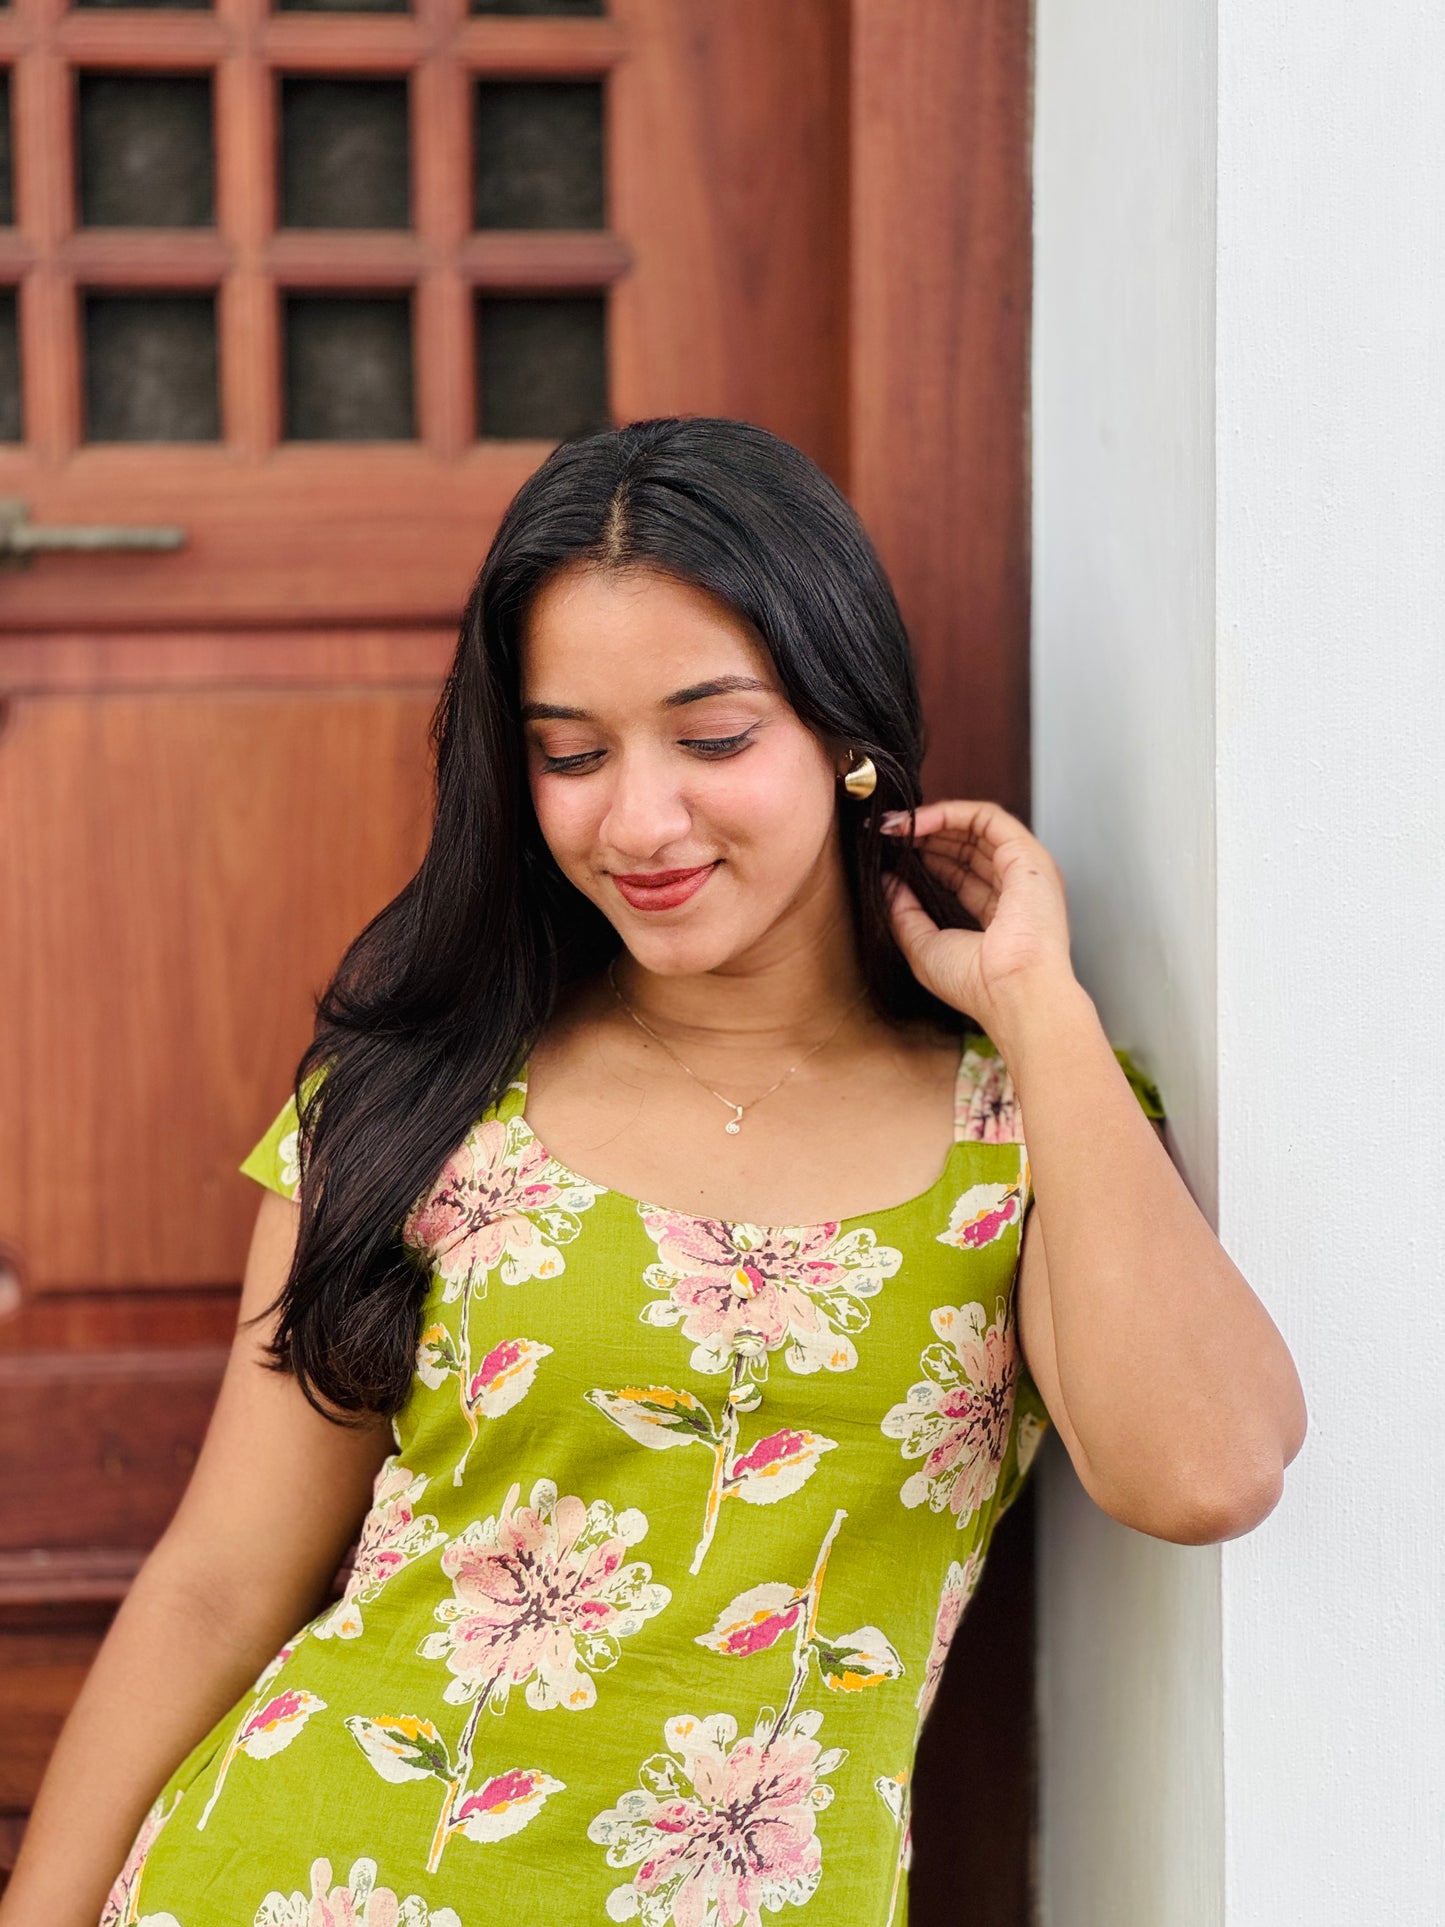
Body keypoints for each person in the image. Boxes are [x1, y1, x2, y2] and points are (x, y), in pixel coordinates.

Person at [2, 417, 1306, 1927]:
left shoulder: (1026, 1131)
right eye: (570, 754)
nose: (638, 821)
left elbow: (1206, 1473)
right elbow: (219, 1585)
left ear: (842, 730)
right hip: (300, 1879)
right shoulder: (412, 1095)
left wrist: (1038, 1007)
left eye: (713, 736)